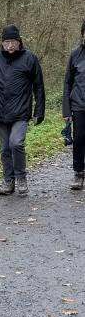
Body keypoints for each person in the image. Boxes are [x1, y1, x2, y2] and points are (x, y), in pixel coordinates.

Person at [0, 24, 45, 197]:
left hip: (21, 112)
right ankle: (9, 180)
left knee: (16, 143)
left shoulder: (30, 59)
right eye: (6, 42)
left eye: (13, 42)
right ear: (2, 42)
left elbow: (38, 86)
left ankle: (21, 178)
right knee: (5, 148)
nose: (10, 45)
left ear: (19, 41)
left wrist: (39, 111)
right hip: (0, 112)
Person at [62, 20, 85, 190]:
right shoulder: (75, 55)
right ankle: (78, 173)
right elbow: (68, 83)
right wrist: (66, 110)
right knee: (79, 139)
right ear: (82, 35)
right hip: (79, 105)